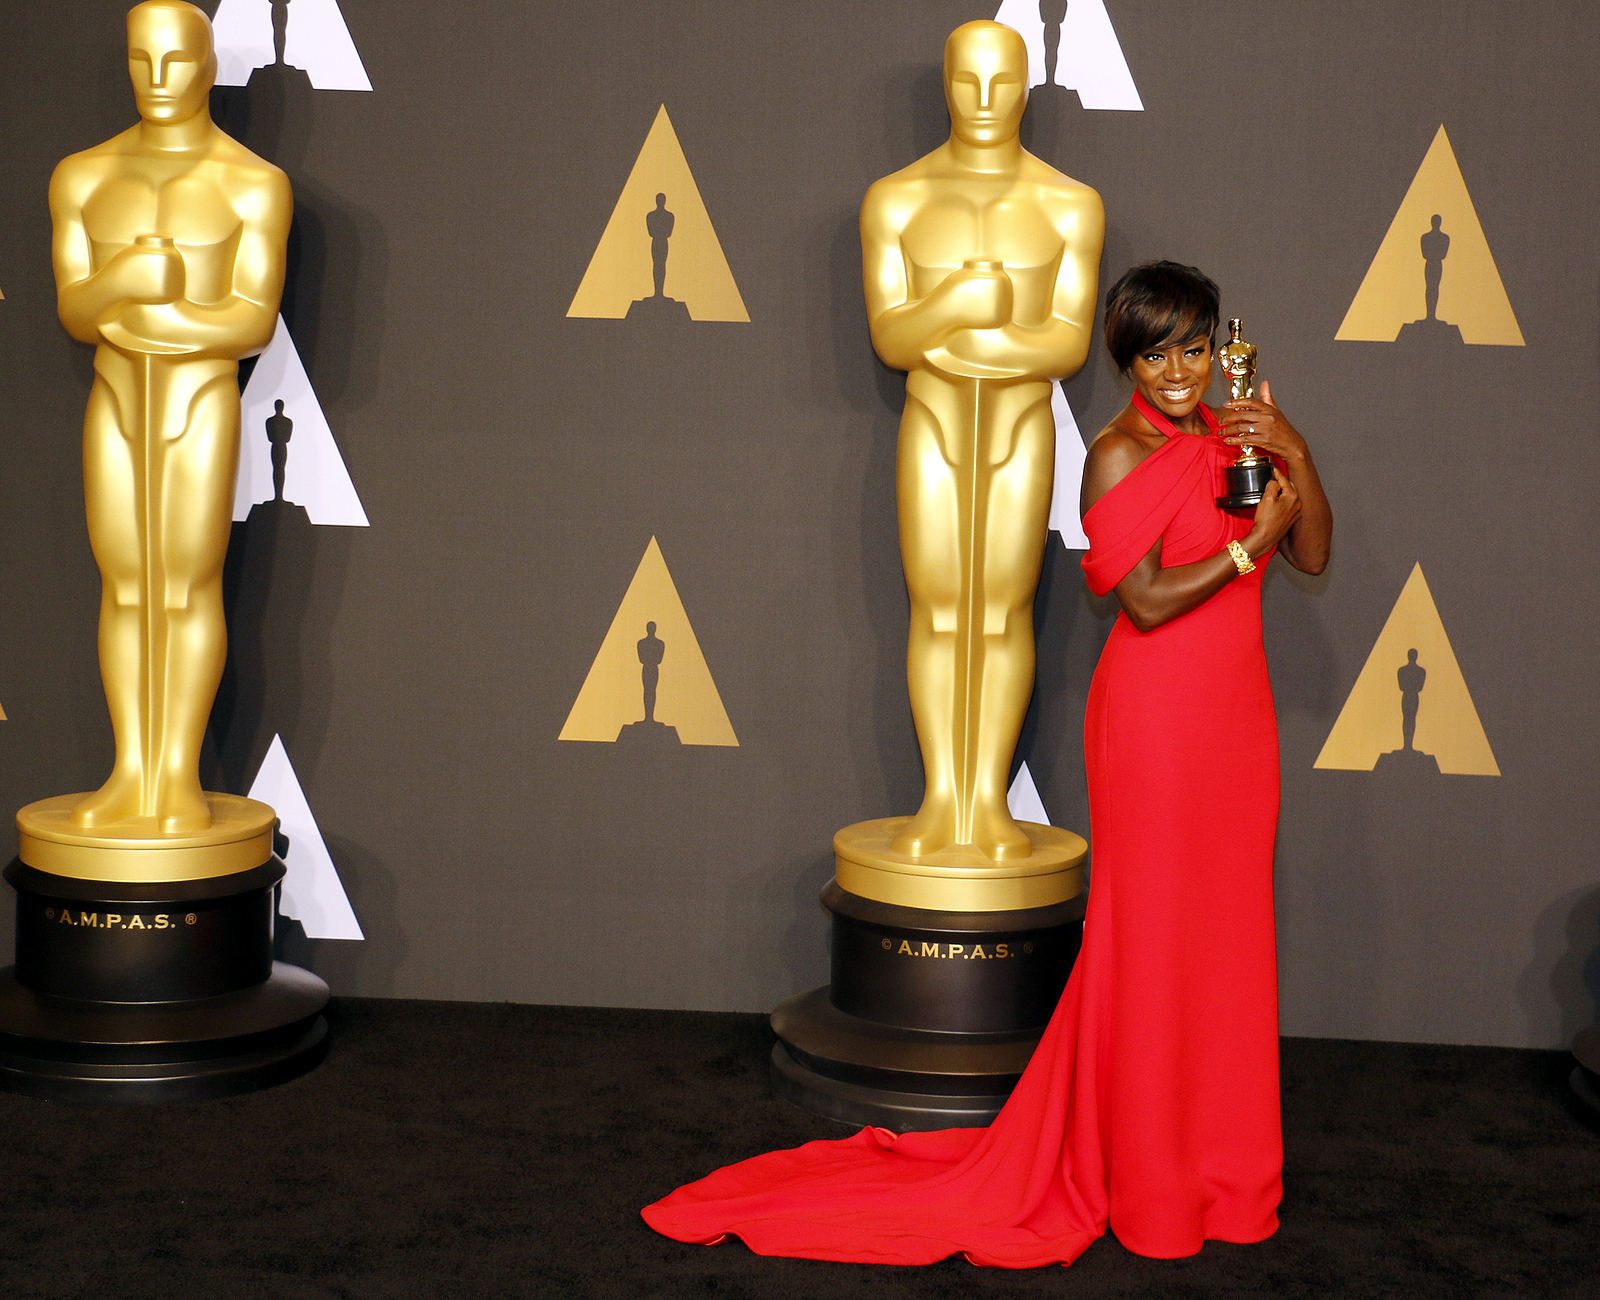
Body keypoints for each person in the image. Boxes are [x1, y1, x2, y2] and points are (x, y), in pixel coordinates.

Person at [641, 261, 1332, 1267]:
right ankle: (1145, 1177)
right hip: (1151, 727)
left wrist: (1294, 454)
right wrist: (1243, 546)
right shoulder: (1114, 452)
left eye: (1193, 347)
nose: (1178, 370)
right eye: (1156, 352)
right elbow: (1136, 600)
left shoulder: (1233, 439)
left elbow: (1310, 555)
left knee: (1222, 942)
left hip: (1237, 725)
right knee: (1147, 942)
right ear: (1126, 360)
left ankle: (1220, 1174)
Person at [858, 18, 1102, 861]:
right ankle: (939, 802)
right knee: (936, 609)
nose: (987, 100)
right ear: (946, 85)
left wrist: (966, 340)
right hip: (931, 423)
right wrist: (959, 308)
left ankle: (986, 804)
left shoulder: (1068, 204)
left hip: (1020, 427)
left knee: (1001, 611)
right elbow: (892, 339)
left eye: (1004, 81)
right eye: (969, 81)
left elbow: (1066, 343)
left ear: (1029, 87)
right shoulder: (897, 199)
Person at [51, 0, 290, 831]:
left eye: (178, 61)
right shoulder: (82, 175)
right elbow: (76, 311)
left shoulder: (252, 184)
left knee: (184, 585)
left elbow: (252, 319)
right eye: (141, 60)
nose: (158, 80)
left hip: (197, 398)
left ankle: (176, 776)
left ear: (210, 62)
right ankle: (130, 773)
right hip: (116, 394)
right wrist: (125, 287)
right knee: (124, 585)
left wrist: (164, 320)